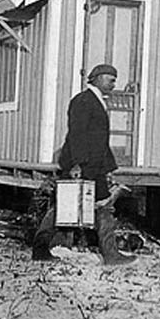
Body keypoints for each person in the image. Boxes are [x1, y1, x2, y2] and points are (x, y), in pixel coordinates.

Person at [32, 64, 136, 264]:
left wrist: (107, 168)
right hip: (81, 167)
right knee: (63, 208)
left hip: (95, 167)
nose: (114, 84)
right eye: (110, 79)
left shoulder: (97, 101)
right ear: (96, 78)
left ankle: (110, 253)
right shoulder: (83, 101)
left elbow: (99, 140)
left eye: (115, 80)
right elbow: (76, 134)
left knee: (103, 207)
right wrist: (77, 165)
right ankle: (40, 249)